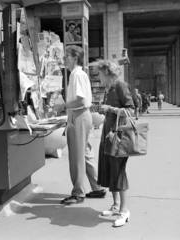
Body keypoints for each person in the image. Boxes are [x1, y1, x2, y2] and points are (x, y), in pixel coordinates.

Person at [53, 45, 106, 205]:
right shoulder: (78, 75)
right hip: (82, 115)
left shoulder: (76, 75)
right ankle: (97, 187)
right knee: (85, 153)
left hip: (79, 115)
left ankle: (78, 193)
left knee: (77, 156)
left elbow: (81, 100)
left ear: (75, 58)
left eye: (66, 56)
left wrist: (63, 105)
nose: (64, 59)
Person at [95, 59, 135, 227]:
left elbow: (131, 110)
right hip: (108, 134)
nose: (98, 76)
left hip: (119, 136)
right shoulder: (109, 88)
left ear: (107, 72)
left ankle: (125, 211)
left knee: (118, 171)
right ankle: (116, 205)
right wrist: (102, 110)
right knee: (110, 169)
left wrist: (110, 109)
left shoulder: (120, 86)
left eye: (100, 73)